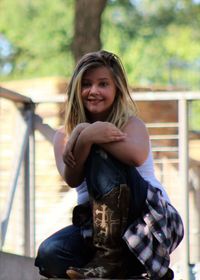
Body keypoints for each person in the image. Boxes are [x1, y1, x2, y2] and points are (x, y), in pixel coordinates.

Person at [35, 50, 184, 279]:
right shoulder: (62, 136)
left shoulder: (131, 124)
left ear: (116, 90)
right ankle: (123, 270)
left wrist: (89, 135)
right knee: (50, 253)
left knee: (99, 156)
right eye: (86, 84)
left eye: (103, 84)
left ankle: (113, 260)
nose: (94, 91)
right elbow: (72, 178)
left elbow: (135, 157)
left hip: (144, 217)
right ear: (76, 89)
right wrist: (84, 136)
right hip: (94, 226)